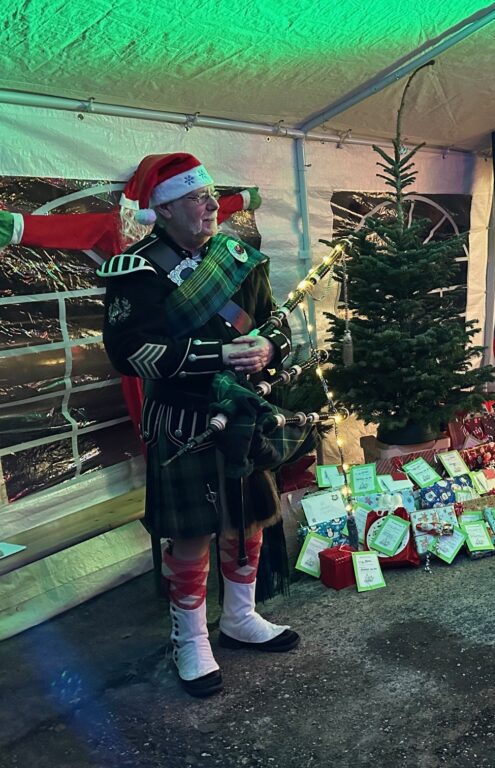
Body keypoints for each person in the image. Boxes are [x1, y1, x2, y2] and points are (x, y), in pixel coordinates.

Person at [99, 153, 302, 697]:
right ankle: (190, 639)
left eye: (211, 194)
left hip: (241, 413)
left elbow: (276, 323)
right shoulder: (138, 271)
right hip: (182, 418)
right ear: (163, 211)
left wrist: (268, 347)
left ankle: (240, 617)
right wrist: (220, 356)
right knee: (189, 535)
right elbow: (128, 352)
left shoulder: (240, 258)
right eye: (196, 197)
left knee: (249, 517)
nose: (211, 204)